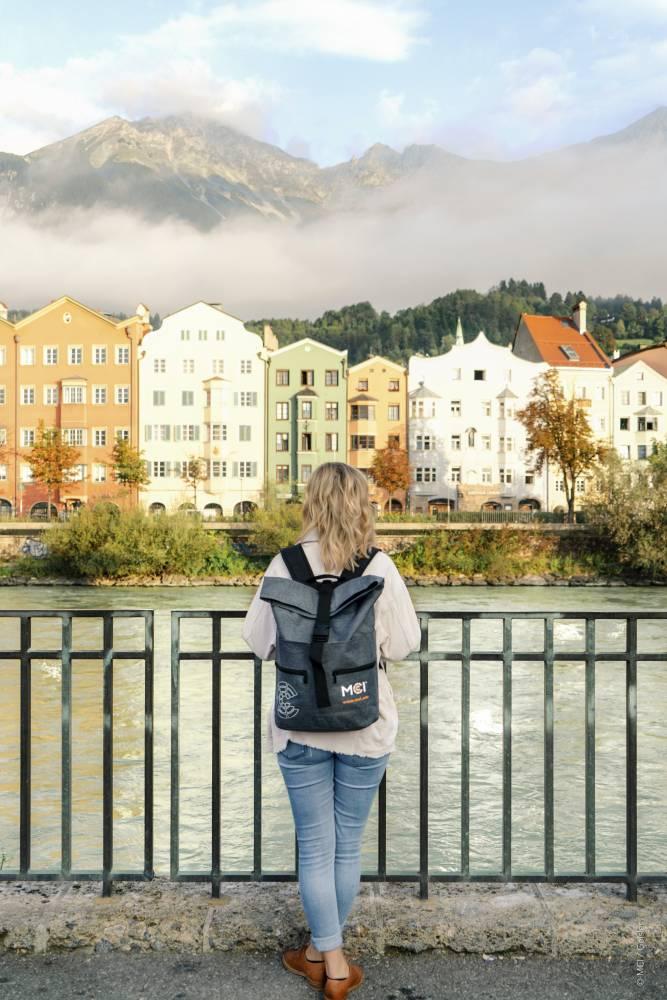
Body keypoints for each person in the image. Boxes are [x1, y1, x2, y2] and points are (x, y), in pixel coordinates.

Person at [243, 462, 421, 999]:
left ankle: (323, 955)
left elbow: (259, 640)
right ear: (361, 505)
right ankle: (334, 960)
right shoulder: (378, 566)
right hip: (365, 724)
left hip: (300, 725)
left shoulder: (286, 562)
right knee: (347, 846)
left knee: (316, 846)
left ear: (312, 503)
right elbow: (403, 644)